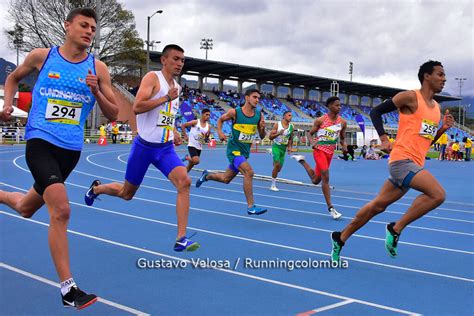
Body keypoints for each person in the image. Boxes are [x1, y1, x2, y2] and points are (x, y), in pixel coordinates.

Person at [0, 8, 119, 309]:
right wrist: (7, 104)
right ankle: (68, 289)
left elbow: (114, 113)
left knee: (26, 207)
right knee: (62, 211)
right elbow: (13, 78)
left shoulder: (98, 68)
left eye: (93, 28)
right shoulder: (43, 56)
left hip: (70, 151)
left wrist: (97, 91)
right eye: (83, 25)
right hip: (40, 141)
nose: (89, 31)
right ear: (68, 26)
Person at [330, 60, 455, 264]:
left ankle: (340, 237)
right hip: (402, 162)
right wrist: (384, 138)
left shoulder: (436, 108)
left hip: (414, 163)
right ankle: (395, 228)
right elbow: (375, 112)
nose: (444, 79)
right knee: (438, 194)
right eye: (440, 74)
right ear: (426, 76)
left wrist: (442, 129)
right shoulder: (410, 97)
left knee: (376, 207)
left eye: (444, 75)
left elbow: (426, 140)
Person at [84, 44, 200, 252]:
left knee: (184, 182)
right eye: (176, 59)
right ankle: (96, 189)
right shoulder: (153, 79)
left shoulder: (177, 88)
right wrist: (166, 97)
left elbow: (167, 115)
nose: (180, 63)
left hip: (164, 149)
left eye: (182, 60)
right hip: (144, 147)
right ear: (164, 60)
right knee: (127, 194)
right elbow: (137, 107)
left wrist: (172, 131)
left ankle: (181, 238)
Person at [195, 89, 267, 215]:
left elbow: (261, 136)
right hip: (234, 150)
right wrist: (220, 132)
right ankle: (251, 207)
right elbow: (220, 120)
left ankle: (206, 175)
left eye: (258, 98)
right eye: (255, 97)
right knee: (249, 172)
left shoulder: (259, 115)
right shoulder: (235, 112)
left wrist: (262, 128)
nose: (257, 100)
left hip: (244, 153)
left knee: (225, 179)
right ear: (246, 98)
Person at [291, 96, 347, 220]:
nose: (339, 107)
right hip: (319, 150)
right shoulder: (320, 120)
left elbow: (342, 137)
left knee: (316, 180)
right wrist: (312, 142)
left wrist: (344, 146)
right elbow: (310, 134)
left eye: (340, 105)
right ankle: (331, 208)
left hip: (330, 153)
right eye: (337, 105)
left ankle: (302, 160)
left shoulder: (343, 122)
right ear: (330, 106)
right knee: (325, 175)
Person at [268, 111, 294, 191]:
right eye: (289, 115)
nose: (291, 117)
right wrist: (278, 133)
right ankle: (273, 185)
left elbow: (291, 138)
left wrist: (289, 147)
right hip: (276, 146)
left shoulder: (291, 126)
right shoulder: (277, 124)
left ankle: (274, 158)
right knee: (277, 165)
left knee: (278, 169)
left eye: (291, 115)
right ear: (284, 116)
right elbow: (270, 137)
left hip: (283, 148)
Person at [180, 108, 211, 172]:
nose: (208, 116)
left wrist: (206, 139)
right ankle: (187, 157)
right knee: (196, 161)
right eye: (206, 114)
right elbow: (183, 125)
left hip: (199, 146)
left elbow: (206, 136)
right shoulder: (196, 122)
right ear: (202, 114)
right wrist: (185, 136)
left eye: (209, 115)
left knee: (192, 164)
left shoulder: (208, 126)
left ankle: (185, 174)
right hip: (192, 144)